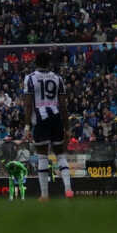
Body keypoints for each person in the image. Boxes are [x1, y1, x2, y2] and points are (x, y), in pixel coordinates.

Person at [21, 57, 69, 198]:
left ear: (35, 64)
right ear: (49, 64)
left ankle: (45, 195)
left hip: (40, 120)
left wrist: (27, 126)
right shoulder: (57, 78)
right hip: (56, 118)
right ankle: (68, 189)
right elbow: (63, 106)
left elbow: (28, 105)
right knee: (60, 155)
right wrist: (67, 127)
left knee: (42, 156)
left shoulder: (30, 78)